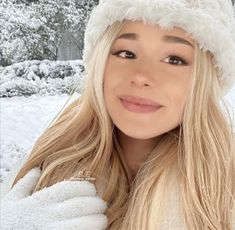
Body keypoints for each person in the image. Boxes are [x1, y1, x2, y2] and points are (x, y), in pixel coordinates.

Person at [1, 0, 235, 229]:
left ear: (205, 79)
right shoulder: (47, 163)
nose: (142, 76)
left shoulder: (226, 191)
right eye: (126, 53)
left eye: (174, 59)